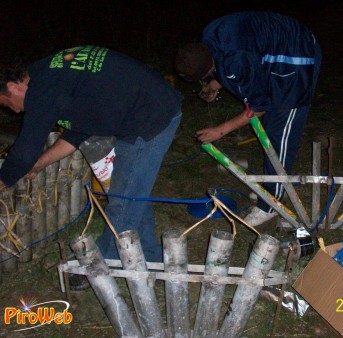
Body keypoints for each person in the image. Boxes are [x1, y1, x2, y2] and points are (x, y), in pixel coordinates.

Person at [0, 46, 183, 287]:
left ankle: (100, 266)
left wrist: (4, 179)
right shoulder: (49, 75)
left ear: (14, 87)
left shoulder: (42, 88)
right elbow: (78, 132)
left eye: (5, 102)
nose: (11, 109)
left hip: (149, 117)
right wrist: (40, 163)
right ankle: (151, 256)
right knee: (133, 193)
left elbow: (23, 152)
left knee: (123, 198)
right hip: (150, 105)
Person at [175, 11, 321, 226]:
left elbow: (257, 108)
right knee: (270, 129)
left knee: (279, 133)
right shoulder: (208, 40)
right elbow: (230, 62)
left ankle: (271, 203)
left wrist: (220, 130)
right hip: (273, 50)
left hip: (296, 55)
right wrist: (215, 84)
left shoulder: (236, 60)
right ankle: (270, 187)